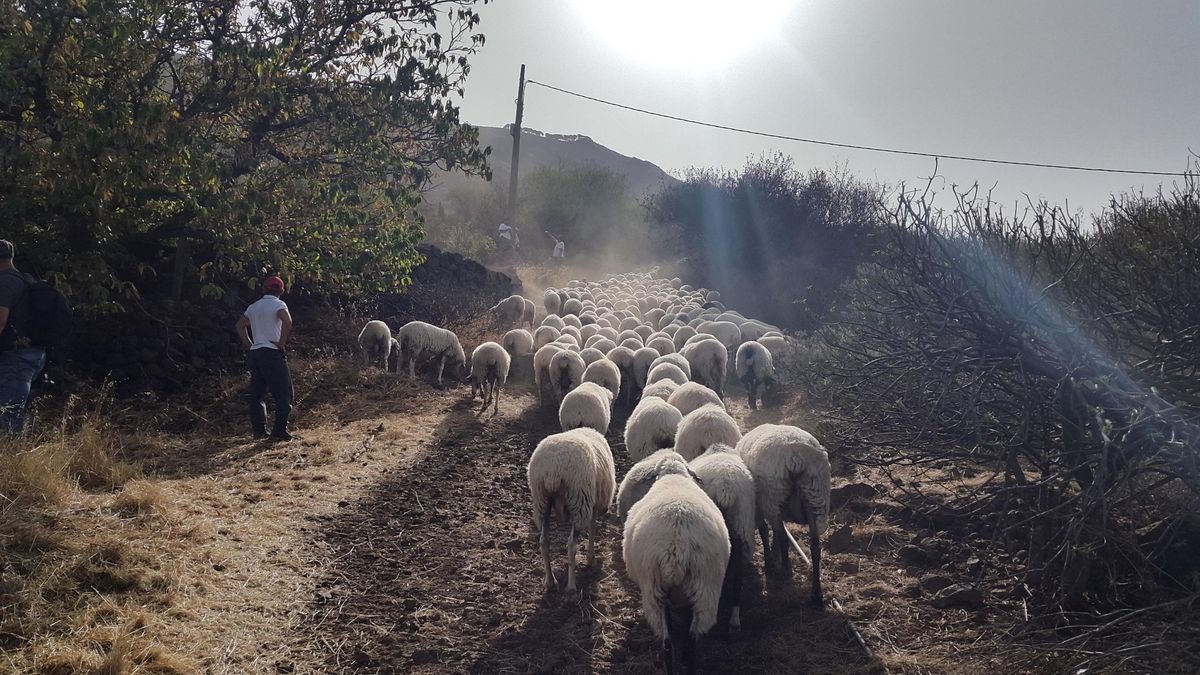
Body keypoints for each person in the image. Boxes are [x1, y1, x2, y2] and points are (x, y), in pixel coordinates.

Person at [235, 276, 294, 441]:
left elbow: (239, 326)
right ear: (281, 291)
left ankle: (259, 432)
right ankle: (279, 431)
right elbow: (287, 321)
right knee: (284, 393)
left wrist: (250, 344)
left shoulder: (254, 307)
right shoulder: (279, 304)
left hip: (256, 354)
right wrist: (281, 343)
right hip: (272, 352)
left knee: (258, 393)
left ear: (263, 289)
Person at [0, 240, 46, 434]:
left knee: (8, 418)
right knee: (14, 413)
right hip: (33, 354)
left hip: (15, 358)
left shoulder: (5, 282)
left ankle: (16, 460)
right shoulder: (26, 279)